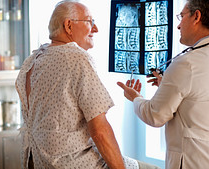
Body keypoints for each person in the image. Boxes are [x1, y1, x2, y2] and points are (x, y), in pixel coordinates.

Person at [16, 1, 159, 169]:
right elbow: (100, 131)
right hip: (77, 163)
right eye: (90, 22)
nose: (96, 29)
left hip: (40, 161)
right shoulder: (76, 59)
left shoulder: (32, 61)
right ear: (68, 26)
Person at [117, 0, 209, 168]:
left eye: (182, 16)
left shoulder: (186, 64)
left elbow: (155, 116)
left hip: (197, 162)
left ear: (196, 16)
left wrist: (135, 98)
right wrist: (167, 84)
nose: (178, 26)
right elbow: (205, 103)